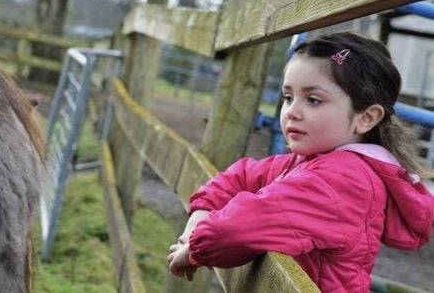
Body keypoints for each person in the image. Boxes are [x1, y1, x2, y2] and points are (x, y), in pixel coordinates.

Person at [167, 32, 434, 292]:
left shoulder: (346, 180)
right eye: (287, 97)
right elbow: (239, 176)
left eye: (313, 100)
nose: (292, 111)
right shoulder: (302, 162)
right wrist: (200, 217)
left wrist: (195, 250)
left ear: (366, 117)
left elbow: (234, 230)